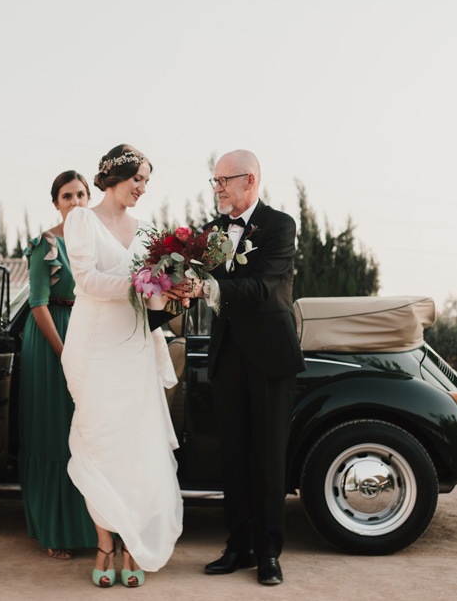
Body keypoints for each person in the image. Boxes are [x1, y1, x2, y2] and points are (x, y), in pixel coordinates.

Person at [60, 144, 183, 588]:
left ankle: (132, 545)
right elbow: (87, 280)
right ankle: (105, 544)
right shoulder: (82, 220)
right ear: (116, 176)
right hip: (94, 349)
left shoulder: (149, 230)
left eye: (147, 182)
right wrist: (140, 282)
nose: (143, 189)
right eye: (138, 180)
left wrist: (172, 291)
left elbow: (152, 294)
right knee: (100, 446)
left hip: (134, 348)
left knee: (136, 448)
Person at [189, 149, 304, 586]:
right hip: (226, 355)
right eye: (214, 181)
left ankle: (269, 554)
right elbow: (190, 278)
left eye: (224, 180)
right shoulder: (210, 232)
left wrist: (207, 287)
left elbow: (263, 286)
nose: (217, 188)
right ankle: (237, 546)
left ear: (250, 180)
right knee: (232, 455)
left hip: (271, 357)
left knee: (269, 457)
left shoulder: (280, 226)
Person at [19, 170, 98, 559]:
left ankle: (90, 527)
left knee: (84, 432)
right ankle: (54, 529)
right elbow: (37, 303)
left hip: (87, 335)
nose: (76, 202)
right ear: (56, 203)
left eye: (82, 195)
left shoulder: (97, 241)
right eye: (67, 196)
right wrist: (65, 352)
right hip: (52, 338)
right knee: (54, 431)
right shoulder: (46, 244)